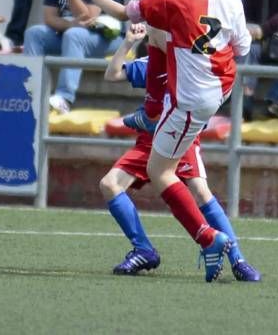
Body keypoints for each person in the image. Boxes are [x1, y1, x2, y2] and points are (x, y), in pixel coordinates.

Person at [79, 0, 251, 282]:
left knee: (166, 175)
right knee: (121, 181)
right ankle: (159, 247)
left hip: (185, 109)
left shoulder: (171, 0)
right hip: (211, 97)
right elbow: (243, 49)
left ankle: (216, 244)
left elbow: (126, 11)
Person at [101, 23, 260, 281]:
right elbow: (112, 74)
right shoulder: (149, 62)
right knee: (109, 184)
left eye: (161, 29)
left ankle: (238, 259)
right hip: (149, 141)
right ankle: (143, 249)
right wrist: (128, 42)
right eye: (156, 30)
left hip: (180, 136)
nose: (159, 34)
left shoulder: (189, 62)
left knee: (199, 190)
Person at [23, 0, 122, 115]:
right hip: (74, 33)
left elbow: (88, 17)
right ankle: (31, 92)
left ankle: (64, 98)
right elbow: (49, 18)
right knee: (34, 33)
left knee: (74, 35)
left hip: (108, 38)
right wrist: (71, 24)